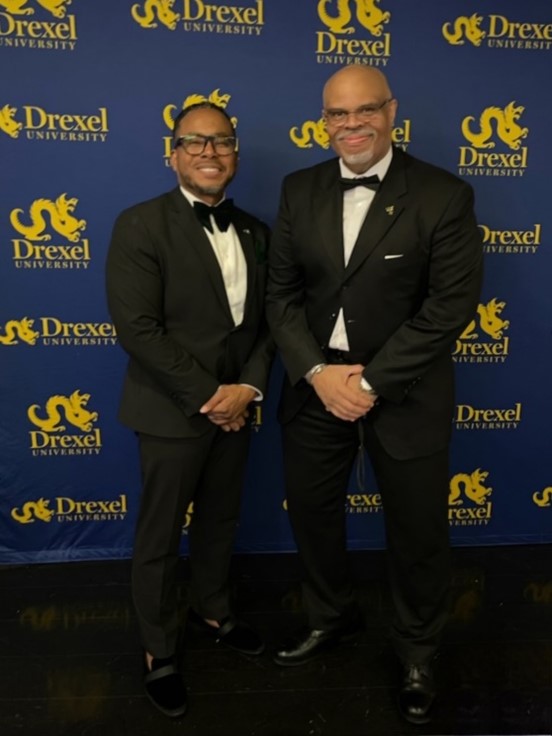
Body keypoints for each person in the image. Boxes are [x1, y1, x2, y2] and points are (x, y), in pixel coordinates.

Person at [266, 66, 483, 725]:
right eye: (338, 114)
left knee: (417, 531)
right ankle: (332, 616)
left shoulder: (443, 195)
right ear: (323, 119)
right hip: (314, 385)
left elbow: (449, 308)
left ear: (392, 111)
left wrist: (370, 381)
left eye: (365, 110)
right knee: (312, 513)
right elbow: (281, 298)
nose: (351, 124)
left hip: (404, 388)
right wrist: (315, 371)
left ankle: (418, 650)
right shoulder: (298, 188)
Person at [106, 101, 273, 719]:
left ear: (235, 153)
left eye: (222, 142)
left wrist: (246, 391)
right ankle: (158, 648)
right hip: (173, 410)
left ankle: (213, 609)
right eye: (194, 142)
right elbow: (139, 329)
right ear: (172, 152)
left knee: (220, 520)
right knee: (159, 534)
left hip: (237, 410)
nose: (209, 152)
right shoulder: (140, 225)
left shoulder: (258, 232)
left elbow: (268, 327)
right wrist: (211, 397)